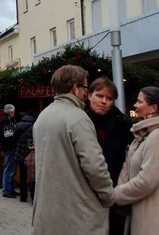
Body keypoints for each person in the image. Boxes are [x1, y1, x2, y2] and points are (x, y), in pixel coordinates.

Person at [32, 65, 114, 235]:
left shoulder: (44, 115)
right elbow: (95, 166)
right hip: (78, 213)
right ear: (75, 88)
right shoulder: (78, 118)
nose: (86, 92)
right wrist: (108, 195)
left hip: (49, 210)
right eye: (85, 87)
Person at [85, 77, 133, 235]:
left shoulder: (123, 123)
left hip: (114, 192)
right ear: (89, 95)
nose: (104, 101)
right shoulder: (79, 121)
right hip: (85, 193)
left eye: (109, 98)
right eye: (100, 96)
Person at [114, 86, 159, 235]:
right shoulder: (143, 136)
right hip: (141, 214)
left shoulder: (156, 137)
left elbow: (147, 180)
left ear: (153, 108)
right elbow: (127, 166)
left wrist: (117, 194)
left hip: (150, 221)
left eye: (139, 102)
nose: (135, 105)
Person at [14, 109, 37, 203]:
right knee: (33, 176)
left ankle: (23, 197)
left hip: (20, 152)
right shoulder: (36, 125)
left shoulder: (18, 124)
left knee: (22, 176)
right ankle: (33, 197)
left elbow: (14, 137)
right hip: (31, 153)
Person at [0, 104, 17, 198]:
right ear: (11, 112)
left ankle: (11, 188)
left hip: (7, 147)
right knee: (9, 169)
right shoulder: (7, 120)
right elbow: (9, 134)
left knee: (11, 168)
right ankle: (6, 190)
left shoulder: (3, 119)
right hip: (10, 147)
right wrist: (14, 144)